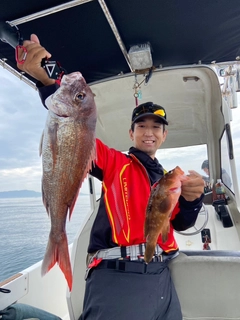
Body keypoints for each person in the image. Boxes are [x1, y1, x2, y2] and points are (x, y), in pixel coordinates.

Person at [17, 34, 204, 320]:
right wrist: (47, 80)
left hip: (162, 277)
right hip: (119, 275)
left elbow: (180, 222)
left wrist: (192, 200)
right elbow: (74, 134)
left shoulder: (169, 181)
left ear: (164, 135)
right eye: (141, 126)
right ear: (131, 133)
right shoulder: (115, 162)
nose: (149, 132)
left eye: (156, 126)